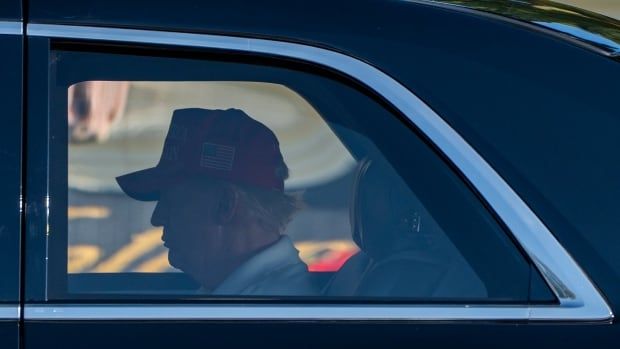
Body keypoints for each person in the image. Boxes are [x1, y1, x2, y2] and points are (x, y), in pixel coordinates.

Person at [116, 108, 318, 296]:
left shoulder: (261, 316)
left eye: (171, 201)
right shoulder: (242, 297)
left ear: (225, 205)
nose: (156, 218)